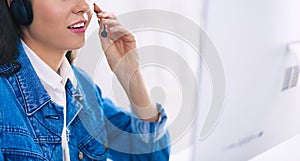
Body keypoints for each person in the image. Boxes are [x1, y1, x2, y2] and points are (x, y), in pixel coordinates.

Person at [0, 0, 170, 160]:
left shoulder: (83, 88)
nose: (82, 6)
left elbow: (150, 156)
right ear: (18, 5)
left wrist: (131, 76)